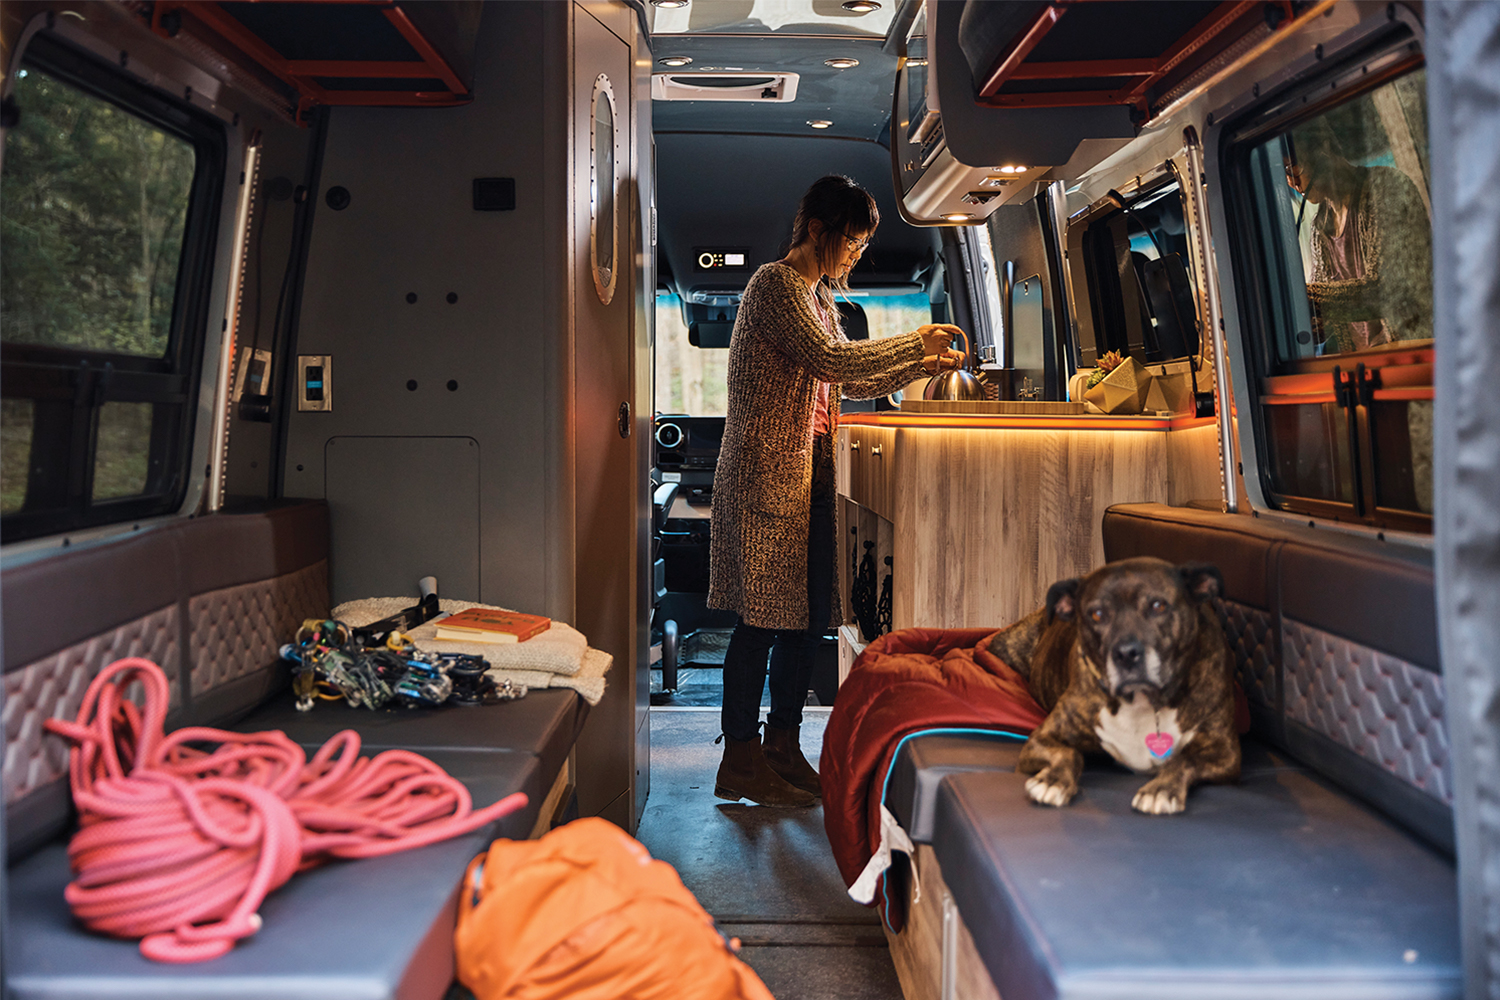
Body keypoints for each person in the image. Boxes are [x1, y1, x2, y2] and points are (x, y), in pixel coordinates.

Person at [707, 174, 965, 807]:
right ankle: (738, 756)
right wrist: (918, 344)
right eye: (851, 240)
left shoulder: (819, 296)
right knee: (760, 623)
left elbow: (842, 371)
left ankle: (782, 746)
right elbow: (835, 362)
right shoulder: (776, 286)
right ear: (818, 232)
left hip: (810, 473)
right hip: (767, 476)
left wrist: (922, 362)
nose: (855, 254)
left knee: (806, 622)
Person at [1284, 116, 1433, 353]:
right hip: (1364, 365)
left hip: (1415, 356)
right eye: (1285, 174)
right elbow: (1331, 313)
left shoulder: (1386, 189)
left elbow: (1386, 290)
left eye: (1293, 167)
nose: (1292, 182)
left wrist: (1314, 299)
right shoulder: (1318, 228)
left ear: (1324, 147)